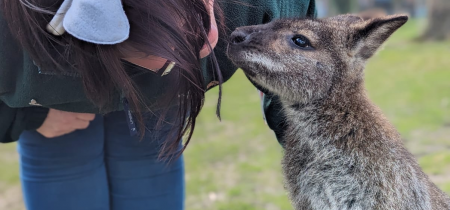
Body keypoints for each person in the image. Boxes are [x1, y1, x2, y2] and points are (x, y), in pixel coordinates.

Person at [0, 0, 316, 209]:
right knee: (66, 163)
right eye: (152, 60)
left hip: (159, 110)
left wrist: (321, 166)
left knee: (148, 172)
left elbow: (306, 81)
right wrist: (27, 117)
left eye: (195, 40)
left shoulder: (257, 4)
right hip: (61, 95)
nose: (199, 54)